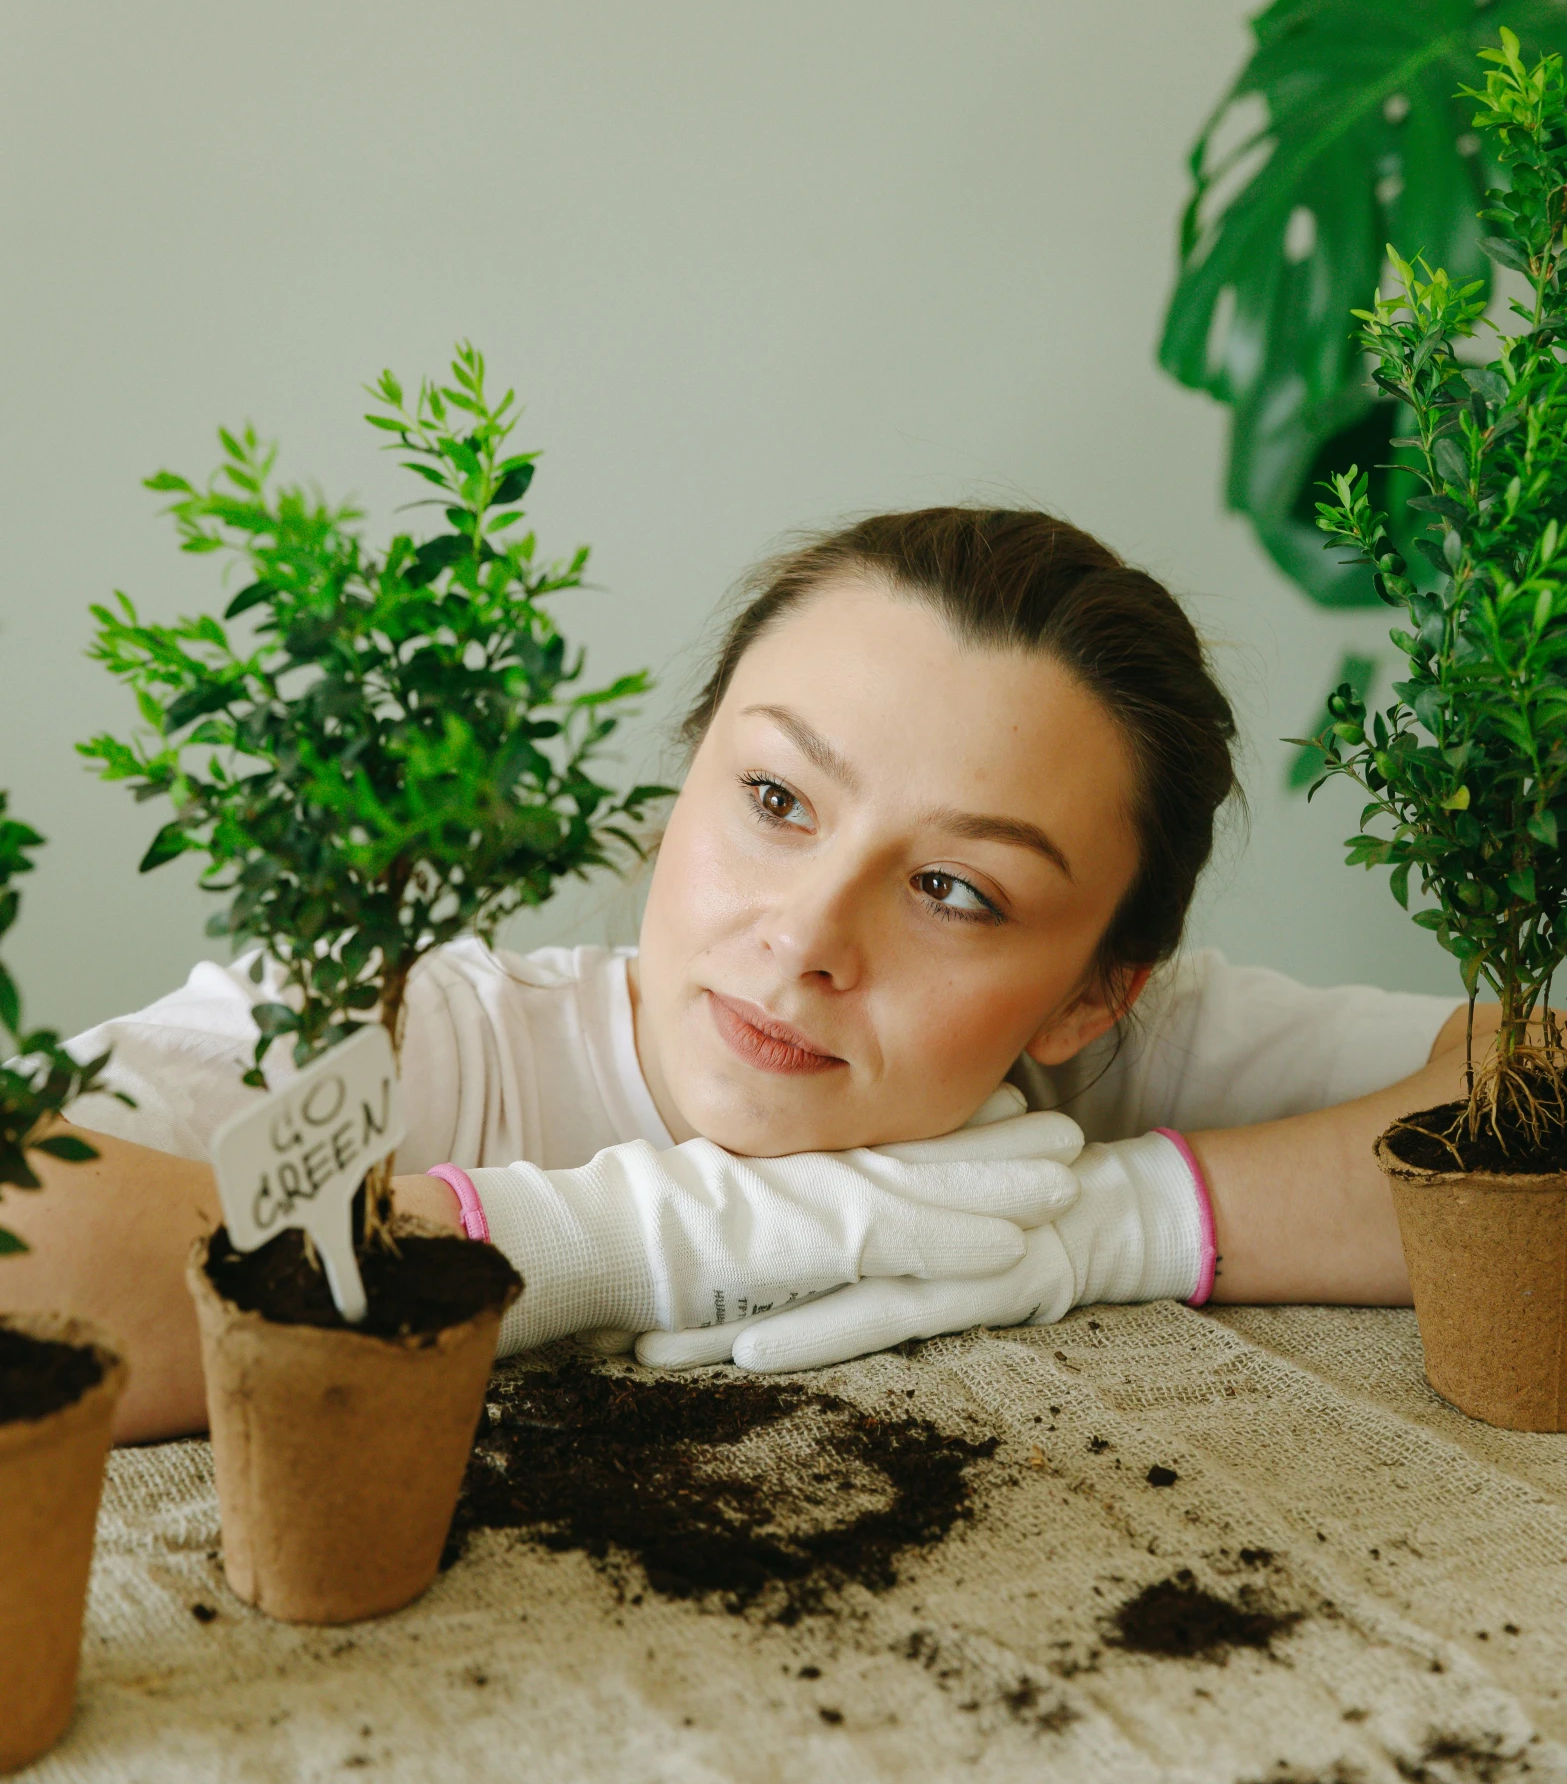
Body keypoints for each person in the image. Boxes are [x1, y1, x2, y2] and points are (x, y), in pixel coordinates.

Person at [2, 509, 1486, 1442]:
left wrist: (1106, 1222)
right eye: (777, 800)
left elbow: (1532, 1095)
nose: (805, 936)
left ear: (1091, 991)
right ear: (679, 783)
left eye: (955, 889)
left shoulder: (1087, 1073)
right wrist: (620, 1239)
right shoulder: (433, 1037)